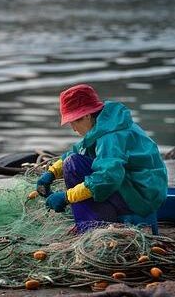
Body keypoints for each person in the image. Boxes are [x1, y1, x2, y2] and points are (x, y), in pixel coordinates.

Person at [37, 84, 167, 234]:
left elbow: (107, 179)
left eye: (74, 121)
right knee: (73, 160)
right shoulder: (107, 124)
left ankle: (94, 228)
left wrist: (67, 197)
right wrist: (51, 173)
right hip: (139, 188)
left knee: (73, 165)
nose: (73, 128)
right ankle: (89, 222)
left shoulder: (110, 136)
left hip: (141, 197)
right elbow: (80, 149)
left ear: (87, 115)